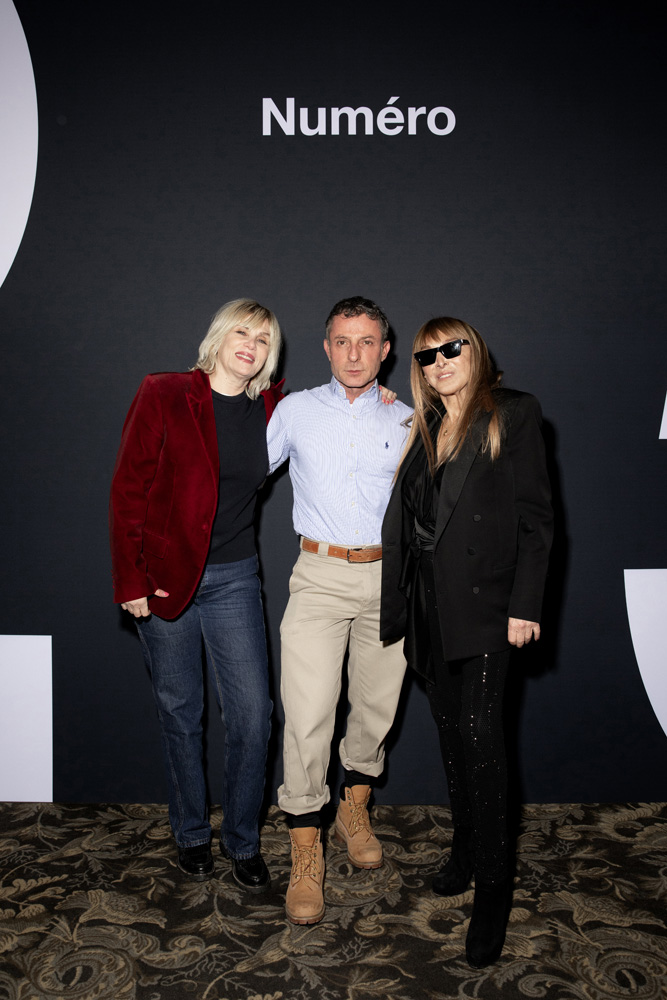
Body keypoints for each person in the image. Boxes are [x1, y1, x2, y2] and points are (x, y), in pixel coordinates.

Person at [380, 317, 553, 968]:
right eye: (427, 354)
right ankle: (461, 850)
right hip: (430, 609)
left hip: (485, 610)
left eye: (451, 348)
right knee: (453, 737)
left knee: (482, 741)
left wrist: (524, 607)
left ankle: (493, 891)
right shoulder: (422, 427)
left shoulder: (512, 411)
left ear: (473, 350)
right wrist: (395, 609)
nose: (439, 361)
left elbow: (536, 520)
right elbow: (409, 525)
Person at [109, 298, 284, 892]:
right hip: (164, 578)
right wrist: (130, 580)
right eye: (242, 331)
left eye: (263, 339)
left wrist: (383, 401)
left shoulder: (273, 407)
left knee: (253, 717)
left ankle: (242, 841)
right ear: (218, 336)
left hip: (235, 579)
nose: (251, 345)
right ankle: (189, 835)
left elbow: (331, 413)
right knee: (181, 712)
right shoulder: (164, 392)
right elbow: (128, 490)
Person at [267, 296, 412, 925]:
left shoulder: (410, 420)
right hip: (319, 574)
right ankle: (305, 847)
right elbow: (239, 472)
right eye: (342, 341)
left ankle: (355, 805)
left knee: (378, 705)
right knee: (306, 712)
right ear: (326, 348)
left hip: (389, 576)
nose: (354, 354)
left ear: (385, 350)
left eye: (367, 342)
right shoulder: (295, 411)